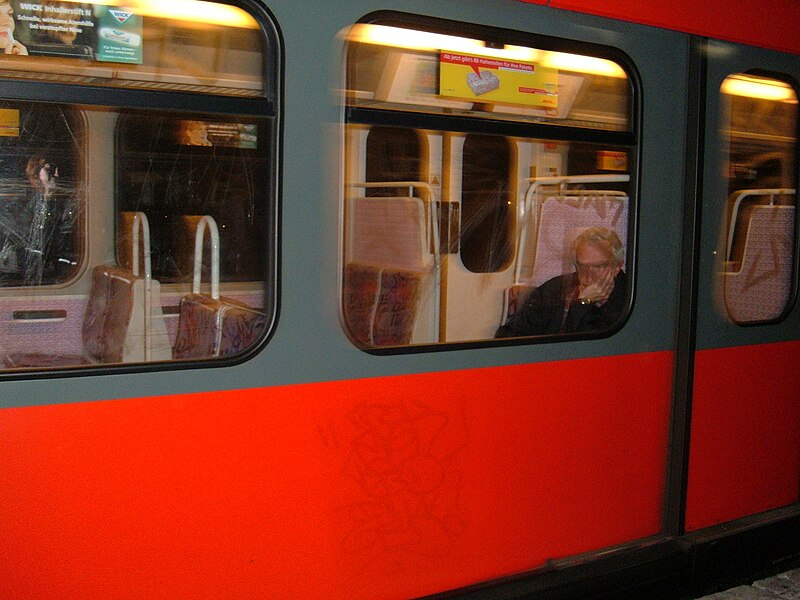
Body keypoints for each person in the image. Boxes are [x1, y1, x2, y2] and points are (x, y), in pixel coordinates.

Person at [496, 226, 627, 337]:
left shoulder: (630, 300)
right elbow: (509, 335)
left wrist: (582, 303)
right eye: (582, 266)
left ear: (616, 267)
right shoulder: (555, 290)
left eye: (599, 267)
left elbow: (584, 349)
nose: (588, 276)